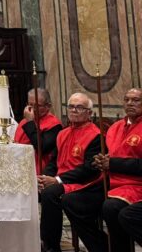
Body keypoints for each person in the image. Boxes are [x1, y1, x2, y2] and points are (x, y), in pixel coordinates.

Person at [37, 93, 102, 252]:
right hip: (63, 180)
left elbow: (89, 170)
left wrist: (57, 180)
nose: (74, 110)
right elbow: (54, 161)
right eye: (71, 106)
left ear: (89, 113)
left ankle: (51, 247)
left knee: (50, 194)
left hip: (85, 182)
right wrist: (45, 177)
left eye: (79, 107)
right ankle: (38, 241)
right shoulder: (63, 133)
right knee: (39, 190)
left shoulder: (95, 136)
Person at [84, 87, 142, 252]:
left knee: (111, 208)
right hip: (112, 181)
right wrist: (101, 160)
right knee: (73, 201)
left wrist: (113, 164)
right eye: (127, 99)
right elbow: (112, 153)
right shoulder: (115, 127)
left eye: (136, 100)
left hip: (136, 184)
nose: (130, 103)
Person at [14, 87, 62, 174]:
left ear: (48, 106)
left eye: (37, 106)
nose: (32, 109)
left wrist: (30, 123)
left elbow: (42, 148)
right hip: (19, 166)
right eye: (30, 105)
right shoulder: (23, 122)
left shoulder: (54, 124)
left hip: (39, 170)